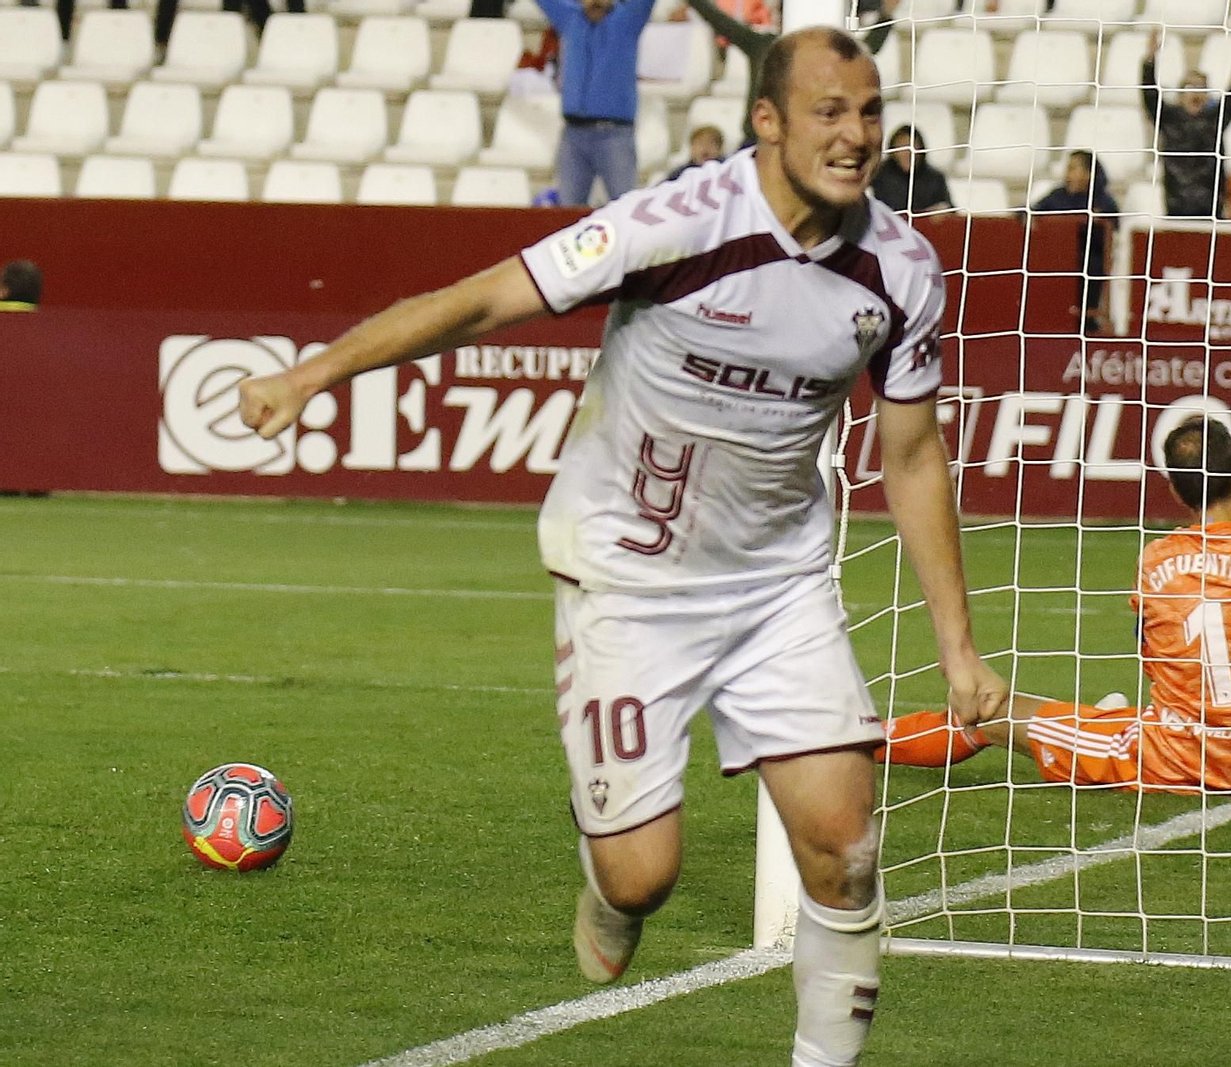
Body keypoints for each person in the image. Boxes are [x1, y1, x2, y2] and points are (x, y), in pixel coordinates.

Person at [235, 27, 1006, 1066]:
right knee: (644, 877)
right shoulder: (672, 223)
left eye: (869, 112)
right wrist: (309, 374)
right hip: (629, 577)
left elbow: (911, 456)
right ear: (766, 121)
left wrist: (957, 647)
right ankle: (609, 877)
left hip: (777, 585)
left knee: (846, 847)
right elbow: (481, 301)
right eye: (829, 111)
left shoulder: (902, 269)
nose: (856, 135)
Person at [878, 340, 1231, 795]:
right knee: (1113, 716)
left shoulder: (1156, 562)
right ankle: (1111, 720)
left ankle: (861, 742)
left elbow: (1155, 656)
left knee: (989, 711)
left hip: (1172, 760)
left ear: (1175, 491)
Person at [678, 0, 896, 145]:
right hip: (757, 144)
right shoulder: (762, 45)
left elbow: (866, 49)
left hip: (806, 145)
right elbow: (720, 22)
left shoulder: (829, 54)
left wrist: (887, 15)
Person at [535, 0, 654, 205]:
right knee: (568, 211)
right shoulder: (570, 18)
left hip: (615, 134)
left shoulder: (628, 20)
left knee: (624, 206)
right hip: (573, 133)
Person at [1143, 29, 1231, 218]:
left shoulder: (1216, 119)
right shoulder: (1169, 118)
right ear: (1180, 94)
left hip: (1210, 209)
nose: (1195, 93)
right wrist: (1150, 59)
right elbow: (1149, 95)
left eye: (1201, 87)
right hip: (1176, 208)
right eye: (1190, 87)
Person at [1029, 150, 1119, 333]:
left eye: (1072, 169)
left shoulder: (1104, 201)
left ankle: (1087, 320)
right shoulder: (1057, 196)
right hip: (1056, 258)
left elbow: (1111, 231)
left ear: (1088, 174)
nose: (1067, 174)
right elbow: (1033, 211)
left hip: (1088, 260)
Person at [871, 124, 952, 215]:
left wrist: (942, 210)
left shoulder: (935, 179)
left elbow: (950, 210)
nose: (908, 154)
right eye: (902, 147)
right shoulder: (878, 175)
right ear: (893, 151)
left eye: (913, 147)